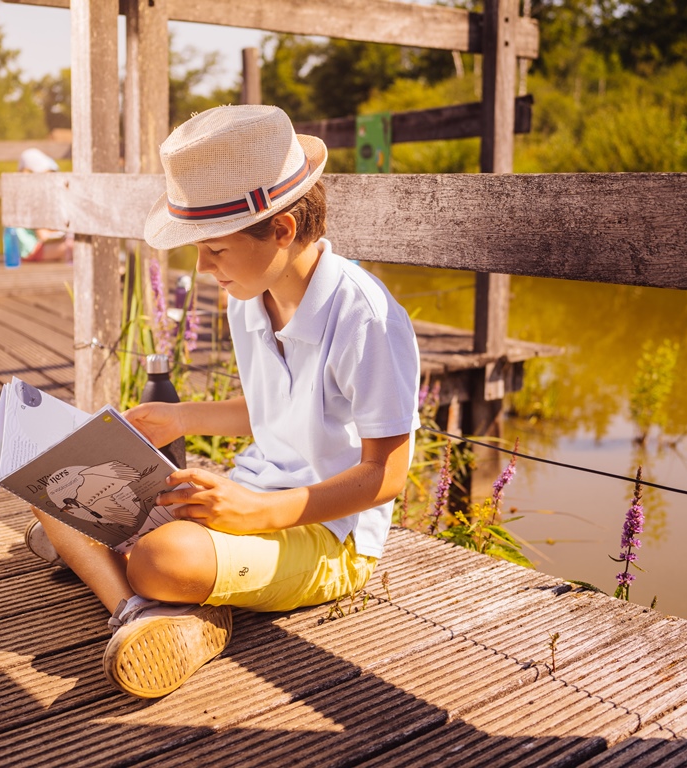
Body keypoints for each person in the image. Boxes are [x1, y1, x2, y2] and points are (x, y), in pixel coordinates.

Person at [25, 105, 421, 699]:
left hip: (328, 534)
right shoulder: (249, 294)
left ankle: (157, 587)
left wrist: (258, 513)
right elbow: (274, 406)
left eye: (214, 249)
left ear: (282, 231)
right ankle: (148, 613)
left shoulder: (364, 317)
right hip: (248, 490)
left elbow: (387, 474)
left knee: (159, 559)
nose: (202, 268)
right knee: (54, 493)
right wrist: (182, 417)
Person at [3, 149, 73, 263]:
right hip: (31, 251)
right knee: (74, 246)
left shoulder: (19, 194)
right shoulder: (31, 197)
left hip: (19, 250)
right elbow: (43, 235)